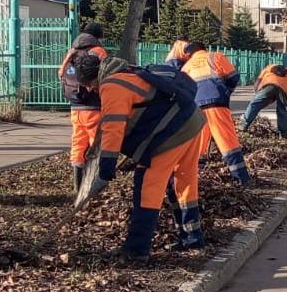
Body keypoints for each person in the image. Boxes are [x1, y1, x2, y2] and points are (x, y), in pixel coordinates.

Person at [74, 54, 206, 262]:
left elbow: (113, 127)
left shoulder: (111, 86)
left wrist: (106, 168)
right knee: (183, 181)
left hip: (173, 133)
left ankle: (137, 250)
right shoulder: (129, 73)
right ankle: (192, 237)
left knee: (147, 186)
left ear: (94, 78)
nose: (89, 90)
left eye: (87, 84)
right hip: (192, 120)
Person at [179, 42, 252, 184]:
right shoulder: (215, 57)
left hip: (196, 109)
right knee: (227, 140)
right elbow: (233, 77)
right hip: (217, 104)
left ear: (189, 54)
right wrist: (226, 91)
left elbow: (184, 91)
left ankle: (199, 176)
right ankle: (240, 177)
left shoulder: (186, 67)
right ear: (204, 49)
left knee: (199, 143)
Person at [58, 23, 109, 189]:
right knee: (96, 142)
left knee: (78, 141)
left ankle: (77, 182)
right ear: (98, 36)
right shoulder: (98, 51)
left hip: (75, 104)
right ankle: (94, 182)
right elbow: (106, 75)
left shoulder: (73, 50)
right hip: (93, 104)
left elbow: (61, 73)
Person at [240, 63, 287, 137]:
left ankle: (244, 125)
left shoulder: (267, 69)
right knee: (281, 110)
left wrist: (257, 94)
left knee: (254, 105)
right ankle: (283, 133)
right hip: (283, 89)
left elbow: (258, 82)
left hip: (268, 86)